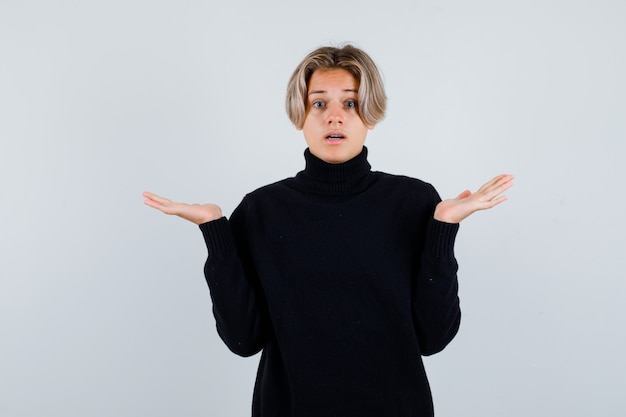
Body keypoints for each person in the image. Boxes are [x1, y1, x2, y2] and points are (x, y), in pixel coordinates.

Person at [143, 44, 513, 417]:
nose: (334, 117)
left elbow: (433, 338)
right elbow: (243, 339)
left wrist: (443, 227)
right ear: (300, 113)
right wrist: (215, 231)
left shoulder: (414, 202)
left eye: (350, 104)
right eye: (319, 104)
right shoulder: (262, 211)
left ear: (369, 113)